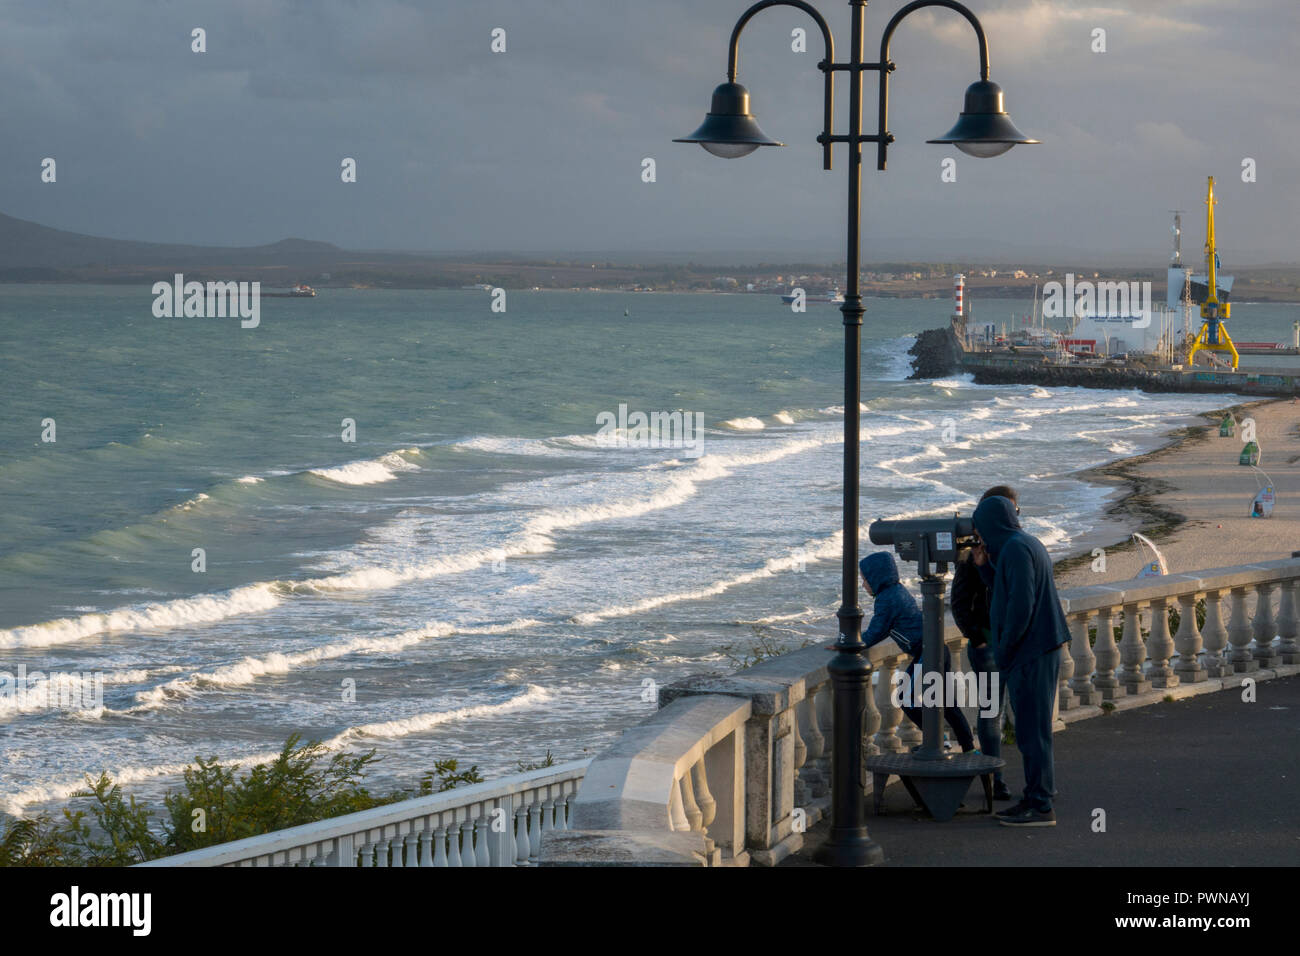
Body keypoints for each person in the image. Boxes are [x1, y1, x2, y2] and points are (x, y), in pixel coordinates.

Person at [971, 494, 1071, 828]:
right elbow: (1007, 590)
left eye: (981, 528)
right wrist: (985, 568)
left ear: (991, 524)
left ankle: (1040, 806)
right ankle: (1039, 793)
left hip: (1031, 651)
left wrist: (1005, 648)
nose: (980, 536)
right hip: (1043, 645)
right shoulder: (1025, 543)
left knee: (1031, 731)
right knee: (1035, 729)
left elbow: (1020, 606)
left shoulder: (1014, 549)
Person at [859, 551, 976, 754]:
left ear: (876, 577)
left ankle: (936, 741)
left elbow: (874, 634)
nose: (863, 585)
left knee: (905, 697)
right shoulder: (897, 590)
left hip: (927, 653)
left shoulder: (887, 599)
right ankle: (969, 749)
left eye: (865, 580)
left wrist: (848, 642)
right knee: (948, 704)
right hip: (938, 649)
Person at [950, 485, 1019, 801]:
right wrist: (977, 640)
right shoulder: (973, 554)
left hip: (1013, 643)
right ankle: (996, 779)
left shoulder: (1014, 547)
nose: (1015, 519)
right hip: (988, 647)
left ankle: (1019, 781)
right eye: (1011, 512)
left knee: (1009, 712)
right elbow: (960, 601)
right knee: (992, 713)